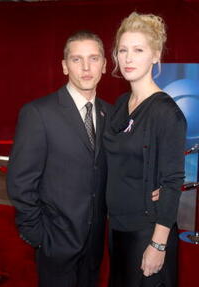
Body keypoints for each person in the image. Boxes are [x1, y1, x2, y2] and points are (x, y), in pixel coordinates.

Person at [7, 30, 110, 287]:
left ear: (105, 65)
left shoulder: (111, 112)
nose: (86, 67)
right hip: (55, 243)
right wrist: (38, 235)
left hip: (96, 244)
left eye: (94, 58)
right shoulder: (38, 113)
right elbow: (20, 182)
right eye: (77, 59)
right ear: (65, 66)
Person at [104, 12, 187, 287]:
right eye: (123, 50)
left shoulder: (166, 113)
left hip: (146, 233)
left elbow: (173, 182)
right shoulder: (120, 104)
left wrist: (158, 245)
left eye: (138, 50)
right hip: (117, 228)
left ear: (155, 55)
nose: (128, 58)